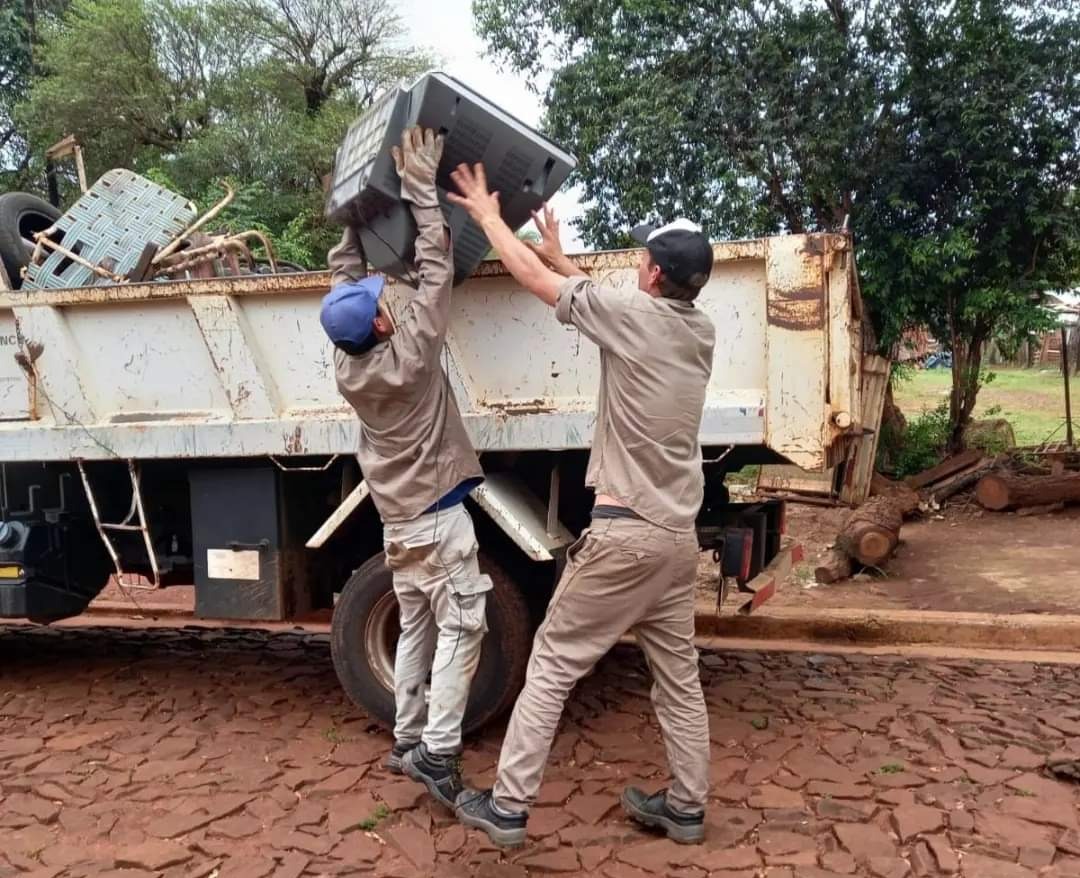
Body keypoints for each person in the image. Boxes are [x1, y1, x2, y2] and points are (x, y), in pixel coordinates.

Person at [446, 163, 716, 848]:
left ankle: (507, 807)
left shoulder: (632, 316)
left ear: (653, 276)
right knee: (677, 680)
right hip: (676, 541)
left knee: (551, 666)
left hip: (625, 538)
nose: (638, 264)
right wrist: (557, 249)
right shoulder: (696, 330)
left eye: (644, 257)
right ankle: (685, 808)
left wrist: (484, 214)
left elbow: (541, 288)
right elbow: (579, 287)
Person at [320, 128, 488, 811]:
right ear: (385, 327)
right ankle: (439, 756)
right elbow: (435, 260)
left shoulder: (348, 361)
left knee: (417, 623)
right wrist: (419, 187)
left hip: (397, 522)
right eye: (384, 305)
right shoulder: (413, 350)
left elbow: (343, 282)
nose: (387, 298)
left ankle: (405, 739)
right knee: (465, 623)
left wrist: (352, 216)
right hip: (437, 518)